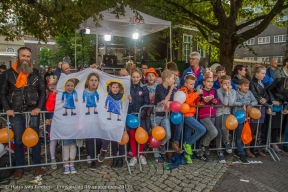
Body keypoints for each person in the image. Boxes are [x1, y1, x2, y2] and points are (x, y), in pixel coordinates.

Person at [1, 47, 45, 179]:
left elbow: (42, 92)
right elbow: (2, 93)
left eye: (27, 56)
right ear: (18, 56)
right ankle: (20, 167)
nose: (25, 58)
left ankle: (37, 165)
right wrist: (7, 108)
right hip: (15, 112)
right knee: (19, 141)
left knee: (35, 139)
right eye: (23, 56)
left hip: (32, 111)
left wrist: (38, 107)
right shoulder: (8, 73)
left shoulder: (36, 73)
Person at [172, 74, 206, 163]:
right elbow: (186, 102)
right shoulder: (182, 90)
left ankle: (187, 156)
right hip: (186, 115)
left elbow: (193, 102)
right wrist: (196, 94)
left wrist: (200, 100)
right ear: (185, 84)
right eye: (191, 84)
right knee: (202, 129)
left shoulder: (191, 91)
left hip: (191, 114)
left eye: (193, 84)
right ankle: (188, 144)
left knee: (187, 134)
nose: (193, 86)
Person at [151, 70, 176, 155]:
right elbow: (165, 102)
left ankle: (162, 144)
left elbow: (171, 101)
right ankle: (157, 156)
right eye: (172, 78)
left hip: (164, 115)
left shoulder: (170, 88)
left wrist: (170, 92)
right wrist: (171, 90)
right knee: (156, 135)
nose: (174, 80)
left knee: (168, 135)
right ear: (167, 79)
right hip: (156, 115)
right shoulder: (159, 87)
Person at [128, 69, 150, 166]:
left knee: (141, 136)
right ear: (131, 77)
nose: (135, 79)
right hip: (132, 116)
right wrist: (130, 102)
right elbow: (127, 102)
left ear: (140, 77)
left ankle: (141, 155)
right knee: (132, 136)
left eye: (137, 77)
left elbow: (147, 102)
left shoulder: (144, 88)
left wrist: (142, 113)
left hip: (141, 116)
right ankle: (134, 156)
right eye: (133, 77)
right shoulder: (128, 88)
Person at [197, 68, 220, 162]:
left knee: (207, 133)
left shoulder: (214, 91)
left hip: (212, 115)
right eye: (208, 81)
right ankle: (204, 146)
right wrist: (204, 100)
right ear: (204, 82)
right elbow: (198, 102)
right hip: (204, 116)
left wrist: (214, 101)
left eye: (211, 81)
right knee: (214, 132)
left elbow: (217, 101)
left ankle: (200, 153)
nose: (210, 83)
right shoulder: (201, 91)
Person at [249, 65, 272, 157]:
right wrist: (265, 104)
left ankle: (256, 148)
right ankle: (249, 149)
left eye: (265, 73)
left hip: (261, 108)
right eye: (262, 73)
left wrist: (265, 100)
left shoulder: (262, 83)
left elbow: (266, 94)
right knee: (253, 129)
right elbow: (255, 95)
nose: (264, 75)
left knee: (258, 130)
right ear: (256, 73)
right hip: (255, 109)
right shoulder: (252, 83)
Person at [233, 78, 258, 164]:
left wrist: (250, 105)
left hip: (247, 117)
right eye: (245, 86)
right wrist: (243, 104)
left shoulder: (250, 93)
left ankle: (243, 150)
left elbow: (255, 100)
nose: (247, 87)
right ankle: (241, 152)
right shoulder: (236, 93)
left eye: (248, 86)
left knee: (247, 133)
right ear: (240, 86)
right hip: (238, 116)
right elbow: (233, 102)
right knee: (239, 135)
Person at [267, 57, 288, 152]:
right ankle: (270, 144)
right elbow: (269, 89)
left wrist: (286, 105)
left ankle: (275, 143)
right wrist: (272, 100)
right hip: (276, 103)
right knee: (273, 125)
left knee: (279, 125)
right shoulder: (279, 76)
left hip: (283, 103)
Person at [215, 75, 236, 163]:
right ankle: (219, 152)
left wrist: (228, 92)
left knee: (224, 127)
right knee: (218, 132)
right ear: (221, 83)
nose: (227, 85)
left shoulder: (233, 91)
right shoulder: (218, 91)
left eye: (228, 83)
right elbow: (224, 102)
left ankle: (227, 142)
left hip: (227, 113)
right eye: (225, 83)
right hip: (218, 113)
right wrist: (226, 92)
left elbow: (230, 103)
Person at [143, 67, 162, 163]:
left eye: (152, 75)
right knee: (146, 131)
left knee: (156, 132)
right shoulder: (143, 87)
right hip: (146, 112)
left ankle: (156, 154)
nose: (150, 77)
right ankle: (145, 150)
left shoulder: (158, 86)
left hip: (156, 113)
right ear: (146, 77)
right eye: (148, 76)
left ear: (155, 77)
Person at [45, 75, 58, 169]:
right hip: (51, 118)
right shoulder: (46, 94)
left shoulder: (61, 92)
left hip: (61, 119)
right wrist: (53, 94)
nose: (52, 86)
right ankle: (52, 158)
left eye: (54, 84)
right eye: (50, 84)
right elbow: (49, 107)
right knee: (52, 140)